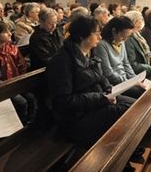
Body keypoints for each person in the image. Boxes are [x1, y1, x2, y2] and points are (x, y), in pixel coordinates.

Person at [45, 15, 134, 149]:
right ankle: (119, 156)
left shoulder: (88, 52)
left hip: (94, 104)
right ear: (82, 36)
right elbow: (64, 101)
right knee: (128, 112)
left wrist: (109, 90)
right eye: (96, 34)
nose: (100, 37)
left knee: (136, 105)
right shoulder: (61, 61)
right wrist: (102, 98)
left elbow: (101, 77)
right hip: (76, 118)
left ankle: (128, 150)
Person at [94, 16, 146, 99]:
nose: (125, 39)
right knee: (143, 93)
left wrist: (135, 79)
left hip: (125, 81)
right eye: (123, 36)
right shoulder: (102, 45)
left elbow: (126, 64)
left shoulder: (121, 42)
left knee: (147, 87)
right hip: (115, 84)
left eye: (128, 36)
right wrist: (130, 82)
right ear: (114, 31)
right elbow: (108, 73)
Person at [124, 11, 151, 81]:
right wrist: (150, 69)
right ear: (133, 22)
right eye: (140, 20)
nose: (142, 21)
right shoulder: (128, 39)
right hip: (140, 73)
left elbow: (148, 52)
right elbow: (133, 64)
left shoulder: (137, 34)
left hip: (147, 68)